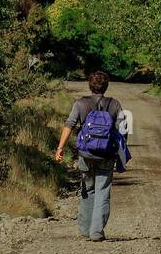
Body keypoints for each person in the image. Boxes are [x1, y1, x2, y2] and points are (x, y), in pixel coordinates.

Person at [55, 70, 129, 241]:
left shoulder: (80, 104)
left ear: (90, 86)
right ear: (106, 86)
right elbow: (123, 131)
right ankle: (96, 231)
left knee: (87, 189)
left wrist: (60, 148)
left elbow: (69, 125)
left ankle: (84, 229)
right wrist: (120, 154)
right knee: (102, 191)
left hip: (85, 154)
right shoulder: (114, 104)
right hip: (106, 155)